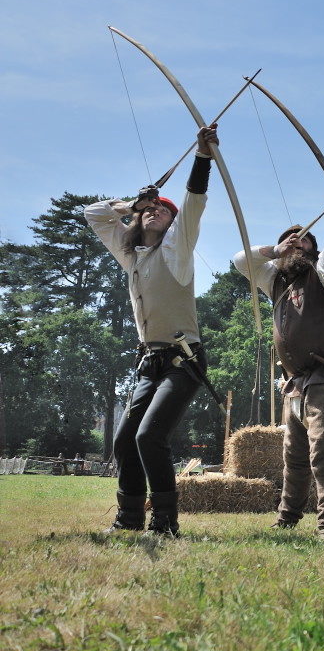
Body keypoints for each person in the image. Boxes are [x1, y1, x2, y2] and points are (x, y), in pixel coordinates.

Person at [84, 125, 221, 537]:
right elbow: (93, 214)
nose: (155, 210)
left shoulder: (176, 252)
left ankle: (165, 523)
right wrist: (132, 201)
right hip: (150, 362)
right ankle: (128, 519)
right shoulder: (132, 256)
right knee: (125, 440)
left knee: (149, 436)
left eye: (163, 209)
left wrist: (202, 157)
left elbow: (193, 205)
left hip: (184, 360)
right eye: (149, 209)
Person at [233, 192, 324, 542]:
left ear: (313, 252)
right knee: (294, 454)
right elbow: (239, 259)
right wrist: (277, 252)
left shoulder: (323, 277)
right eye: (290, 241)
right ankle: (288, 518)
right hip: (298, 381)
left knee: (323, 449)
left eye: (304, 240)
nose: (297, 244)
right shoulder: (274, 280)